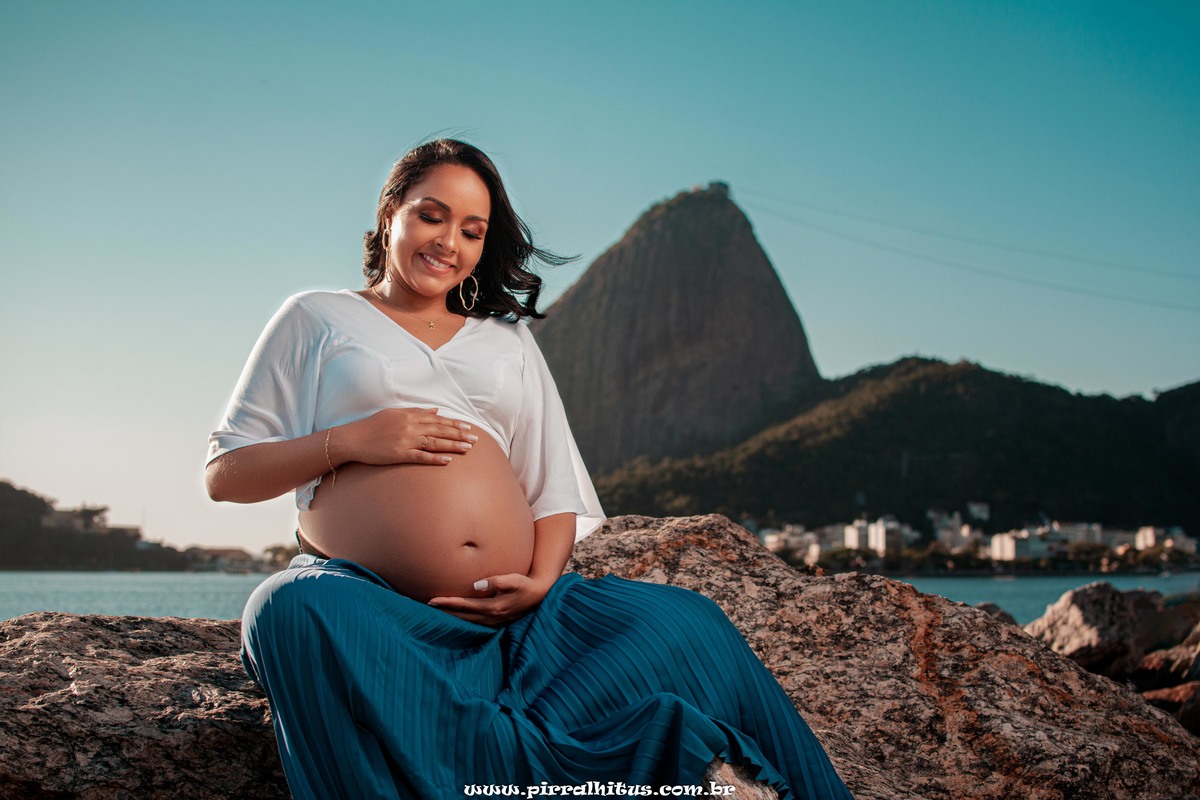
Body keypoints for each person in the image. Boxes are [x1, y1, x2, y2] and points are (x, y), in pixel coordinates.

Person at [206, 139, 852, 800]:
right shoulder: (318, 317)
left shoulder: (506, 340)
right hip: (376, 609)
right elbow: (226, 473)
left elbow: (551, 487)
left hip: (520, 620)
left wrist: (541, 582)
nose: (448, 242)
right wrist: (352, 440)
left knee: (690, 623)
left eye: (471, 230)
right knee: (285, 608)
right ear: (391, 213)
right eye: (432, 216)